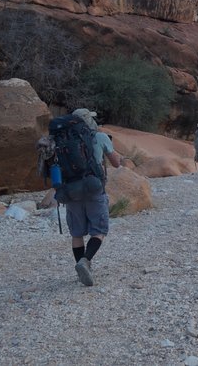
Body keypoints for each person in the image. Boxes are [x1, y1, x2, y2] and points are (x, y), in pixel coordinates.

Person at [68, 108, 123, 286]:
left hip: (71, 192)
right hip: (94, 190)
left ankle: (80, 268)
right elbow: (116, 163)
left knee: (77, 233)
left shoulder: (63, 139)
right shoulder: (100, 137)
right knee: (99, 230)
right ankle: (86, 261)